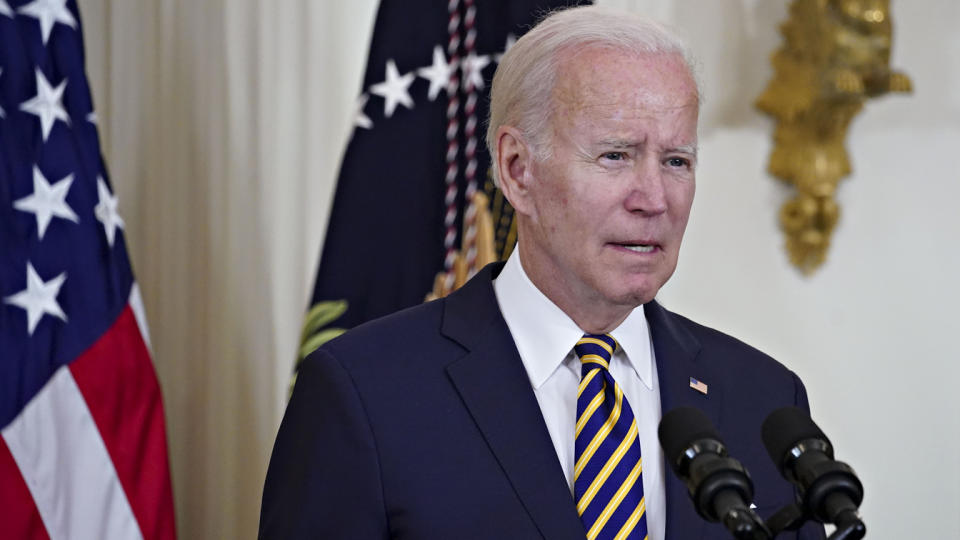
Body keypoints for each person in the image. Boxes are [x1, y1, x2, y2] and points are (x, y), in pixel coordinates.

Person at [259, 6, 825, 540]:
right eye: (616, 156)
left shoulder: (766, 400)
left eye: (676, 161)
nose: (654, 198)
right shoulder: (364, 393)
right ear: (516, 170)